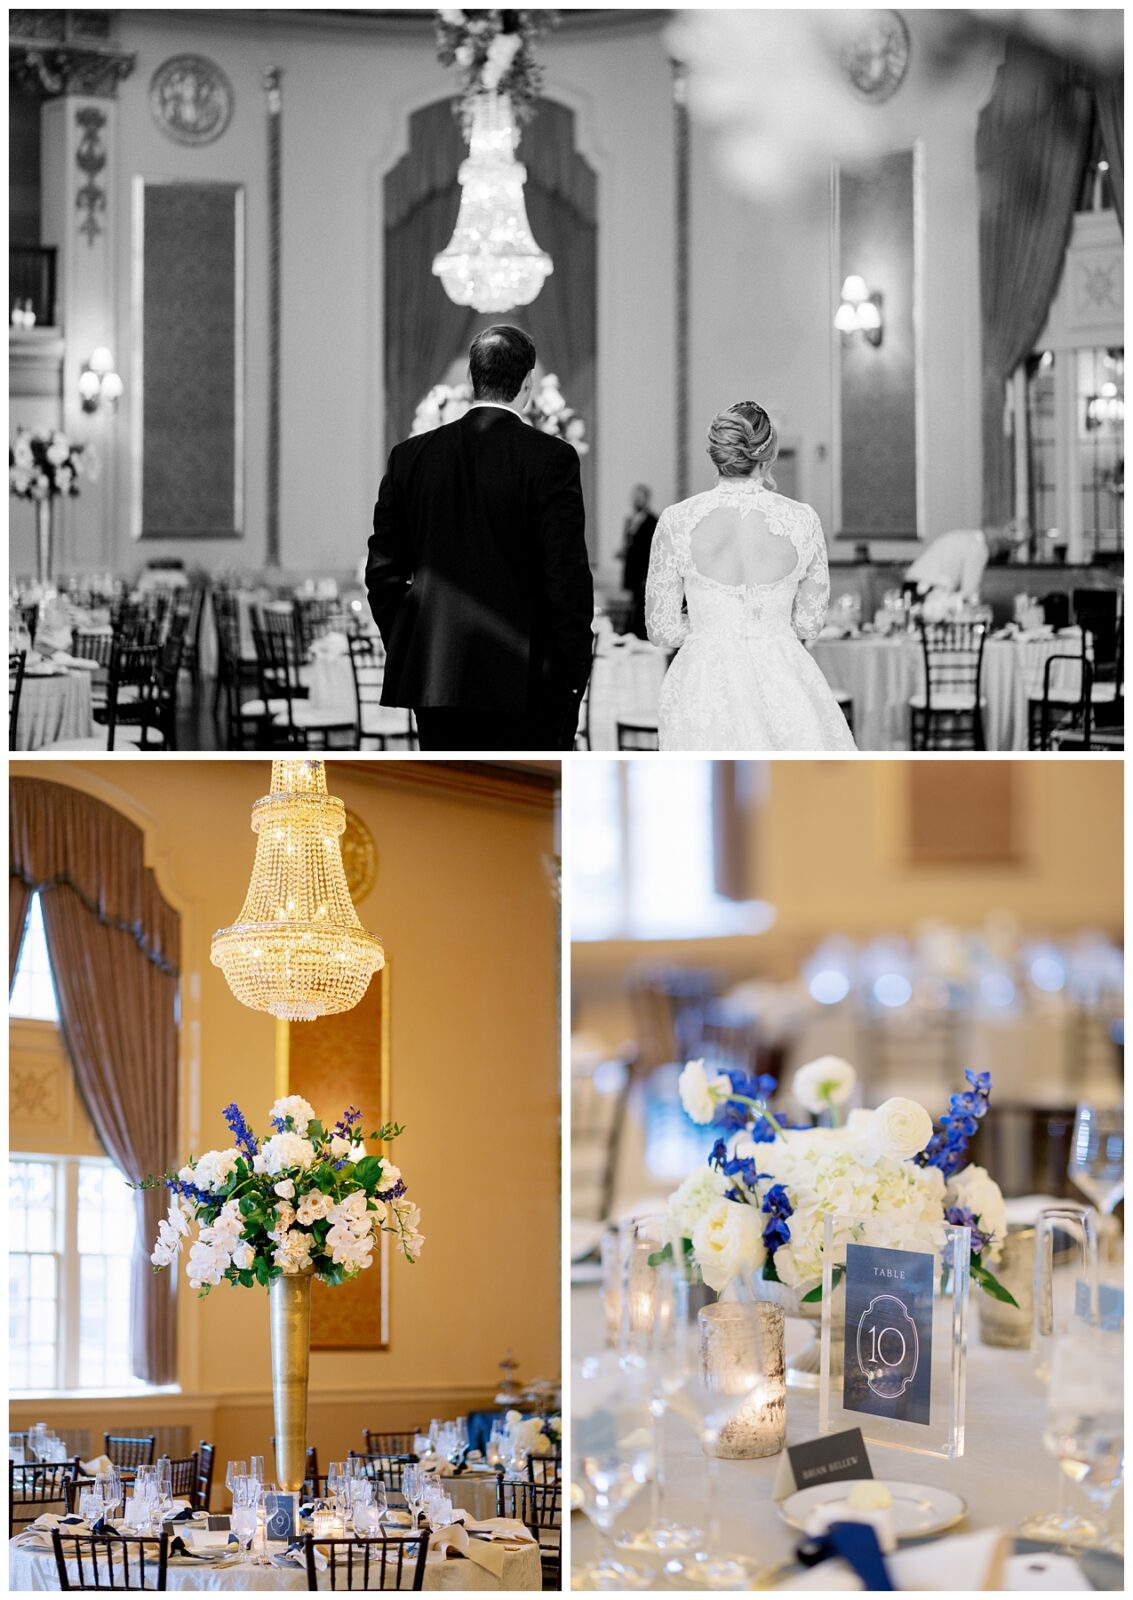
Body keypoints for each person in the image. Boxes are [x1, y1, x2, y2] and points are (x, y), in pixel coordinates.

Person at [366, 325, 594, 751]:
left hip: (436, 678)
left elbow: (382, 575)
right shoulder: (552, 458)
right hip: (528, 684)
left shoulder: (409, 458)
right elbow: (566, 581)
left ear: (472, 379)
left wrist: (414, 642)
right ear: (528, 384)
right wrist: (571, 677)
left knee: (451, 792)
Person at [645, 400, 856, 751]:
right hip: (783, 678)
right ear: (768, 453)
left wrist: (708, 625)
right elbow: (808, 625)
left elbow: (661, 629)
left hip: (703, 684)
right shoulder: (802, 520)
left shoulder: (677, 520)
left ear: (718, 452)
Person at [905, 527, 1010, 598]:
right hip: (930, 590)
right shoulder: (979, 548)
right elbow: (969, 591)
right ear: (995, 547)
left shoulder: (961, 535)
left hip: (910, 585)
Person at [619, 484, 658, 639]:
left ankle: (639, 636)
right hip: (633, 572)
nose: (637, 501)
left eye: (640, 498)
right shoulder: (630, 520)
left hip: (644, 573)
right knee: (634, 604)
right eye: (635, 498)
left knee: (642, 608)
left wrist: (648, 573)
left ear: (646, 499)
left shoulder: (652, 521)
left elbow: (652, 549)